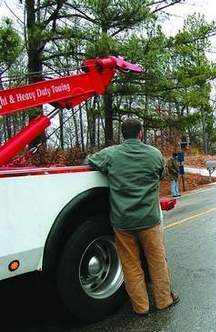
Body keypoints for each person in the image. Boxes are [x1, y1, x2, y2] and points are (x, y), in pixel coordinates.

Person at [86, 118, 178, 315]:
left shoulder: (111, 154)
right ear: (141, 133)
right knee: (157, 261)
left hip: (122, 222)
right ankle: (163, 301)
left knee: (131, 265)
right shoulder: (154, 154)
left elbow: (90, 161)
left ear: (123, 134)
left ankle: (141, 307)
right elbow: (161, 175)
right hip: (149, 220)